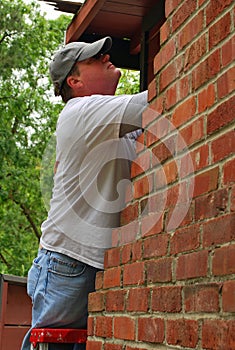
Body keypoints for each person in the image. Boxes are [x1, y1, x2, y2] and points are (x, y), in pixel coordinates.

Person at [21, 36, 148, 350]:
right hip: (68, 263)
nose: (106, 56)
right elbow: (161, 99)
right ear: (74, 80)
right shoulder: (81, 111)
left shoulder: (110, 121)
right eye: (94, 57)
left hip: (79, 264)